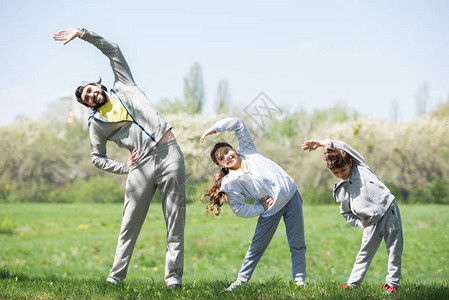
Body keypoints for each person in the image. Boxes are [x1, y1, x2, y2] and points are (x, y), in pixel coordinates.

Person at [53, 28, 186, 288]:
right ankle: (116, 278)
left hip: (170, 155)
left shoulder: (124, 85)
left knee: (175, 220)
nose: (91, 95)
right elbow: (97, 158)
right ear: (88, 105)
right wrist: (125, 166)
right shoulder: (97, 124)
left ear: (98, 85)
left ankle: (174, 280)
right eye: (87, 98)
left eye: (91, 89)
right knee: (129, 225)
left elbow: (112, 49)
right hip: (140, 167)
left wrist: (82, 34)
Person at [200, 117, 307, 291]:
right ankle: (240, 281)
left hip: (291, 195)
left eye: (228, 151)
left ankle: (300, 281)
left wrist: (214, 129)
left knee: (297, 243)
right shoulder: (231, 182)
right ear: (219, 164)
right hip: (270, 210)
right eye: (222, 157)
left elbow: (237, 123)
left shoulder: (248, 151)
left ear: (234, 149)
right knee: (256, 248)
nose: (227, 156)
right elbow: (239, 209)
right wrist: (260, 208)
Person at [301, 139, 403, 294]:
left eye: (343, 170)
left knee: (394, 249)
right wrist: (361, 223)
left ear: (349, 162)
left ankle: (392, 284)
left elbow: (342, 145)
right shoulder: (340, 191)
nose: (340, 174)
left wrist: (322, 144)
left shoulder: (360, 167)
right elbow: (346, 214)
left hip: (389, 210)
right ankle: (352, 284)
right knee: (364, 254)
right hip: (371, 223)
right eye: (336, 173)